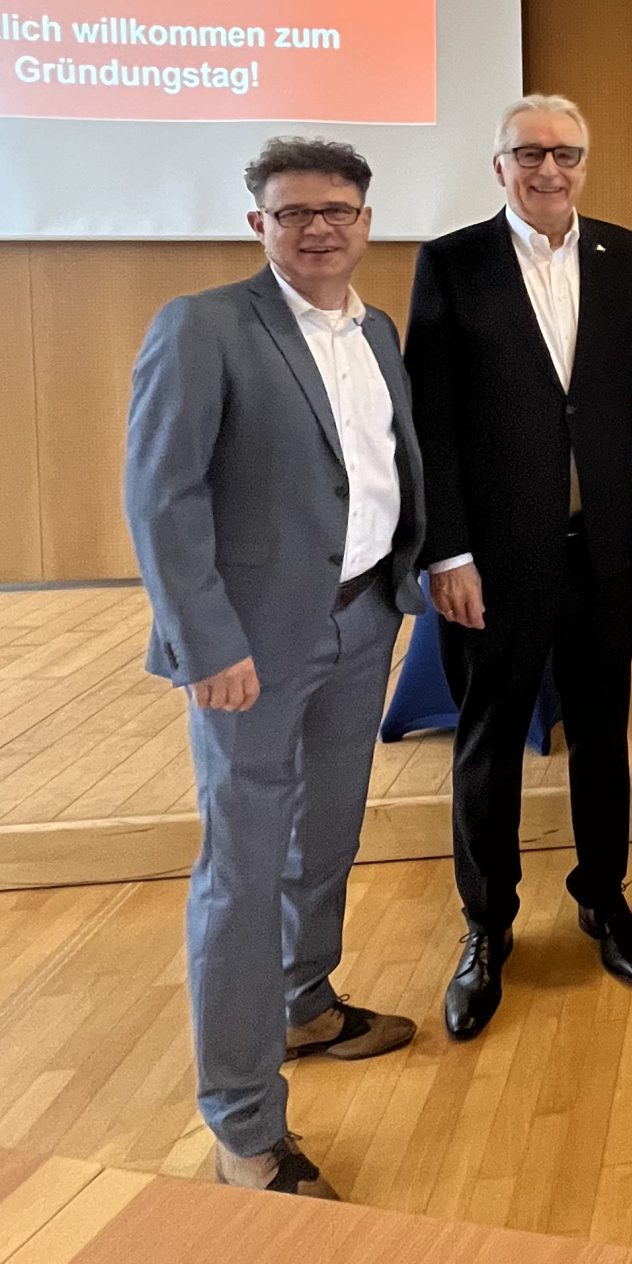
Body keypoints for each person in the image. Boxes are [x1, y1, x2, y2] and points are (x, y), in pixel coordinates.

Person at [124, 138, 425, 1199]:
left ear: (365, 220)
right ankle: (245, 1127)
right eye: (293, 212)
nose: (318, 228)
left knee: (326, 840)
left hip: (360, 624)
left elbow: (382, 473)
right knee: (243, 874)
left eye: (337, 209)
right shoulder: (203, 327)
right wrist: (208, 646)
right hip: (250, 652)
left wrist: (412, 582)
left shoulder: (375, 330)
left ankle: (305, 1004)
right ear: (259, 224)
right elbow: (162, 497)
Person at [405, 94, 632, 1040]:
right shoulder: (451, 263)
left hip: (604, 548)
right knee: (489, 743)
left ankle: (603, 895)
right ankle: (489, 927)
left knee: (604, 731)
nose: (548, 169)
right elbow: (429, 423)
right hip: (493, 561)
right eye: (530, 153)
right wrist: (447, 550)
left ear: (586, 163)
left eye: (565, 153)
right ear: (499, 165)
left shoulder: (624, 253)